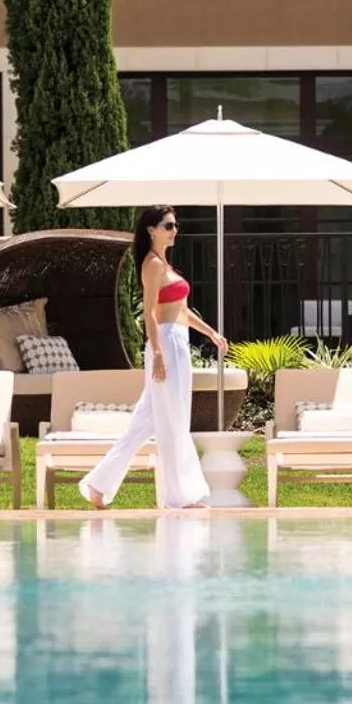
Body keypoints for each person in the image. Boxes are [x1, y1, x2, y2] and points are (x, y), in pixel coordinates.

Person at [79, 206, 228, 509]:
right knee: (174, 420)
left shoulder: (165, 265)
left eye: (175, 226)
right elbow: (149, 313)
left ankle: (99, 485)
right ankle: (181, 495)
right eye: (168, 226)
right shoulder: (152, 265)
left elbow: (182, 312)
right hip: (167, 345)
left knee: (145, 421)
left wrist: (211, 333)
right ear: (151, 230)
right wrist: (158, 352)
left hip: (177, 342)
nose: (175, 231)